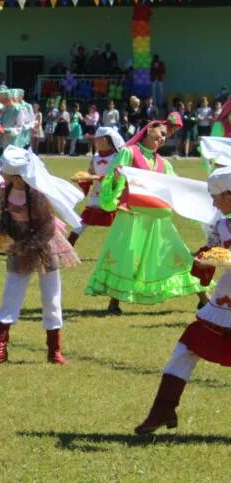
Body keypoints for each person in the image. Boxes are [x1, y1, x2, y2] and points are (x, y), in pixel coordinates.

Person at [133, 167, 231, 434]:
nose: (213, 203)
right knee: (187, 348)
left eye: (216, 197)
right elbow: (212, 254)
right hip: (224, 301)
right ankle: (162, 410)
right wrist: (202, 261)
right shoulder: (221, 226)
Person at [84, 121, 211, 313]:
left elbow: (175, 187)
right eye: (160, 134)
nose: (162, 139)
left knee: (179, 253)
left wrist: (196, 198)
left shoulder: (163, 163)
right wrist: (118, 178)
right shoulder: (129, 152)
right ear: (148, 131)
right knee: (126, 255)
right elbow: (111, 177)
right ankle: (114, 302)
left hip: (157, 217)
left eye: (165, 137)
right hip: (132, 215)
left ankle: (204, 298)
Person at [0, 146, 81, 365]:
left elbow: (46, 228)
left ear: (17, 176)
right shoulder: (6, 189)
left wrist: (26, 247)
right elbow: (5, 216)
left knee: (51, 297)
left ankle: (54, 351)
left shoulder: (37, 193)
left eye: (4, 170)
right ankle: (0, 349)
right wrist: (1, 234)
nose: (0, 173)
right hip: (19, 245)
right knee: (11, 294)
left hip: (44, 246)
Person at [68, 127, 123, 247]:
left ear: (106, 140)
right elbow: (90, 174)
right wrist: (81, 179)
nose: (95, 142)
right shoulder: (95, 157)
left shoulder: (117, 157)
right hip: (96, 194)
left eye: (97, 139)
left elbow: (115, 176)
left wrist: (91, 178)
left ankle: (121, 248)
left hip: (113, 195)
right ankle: (68, 245)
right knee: (83, 221)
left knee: (119, 222)